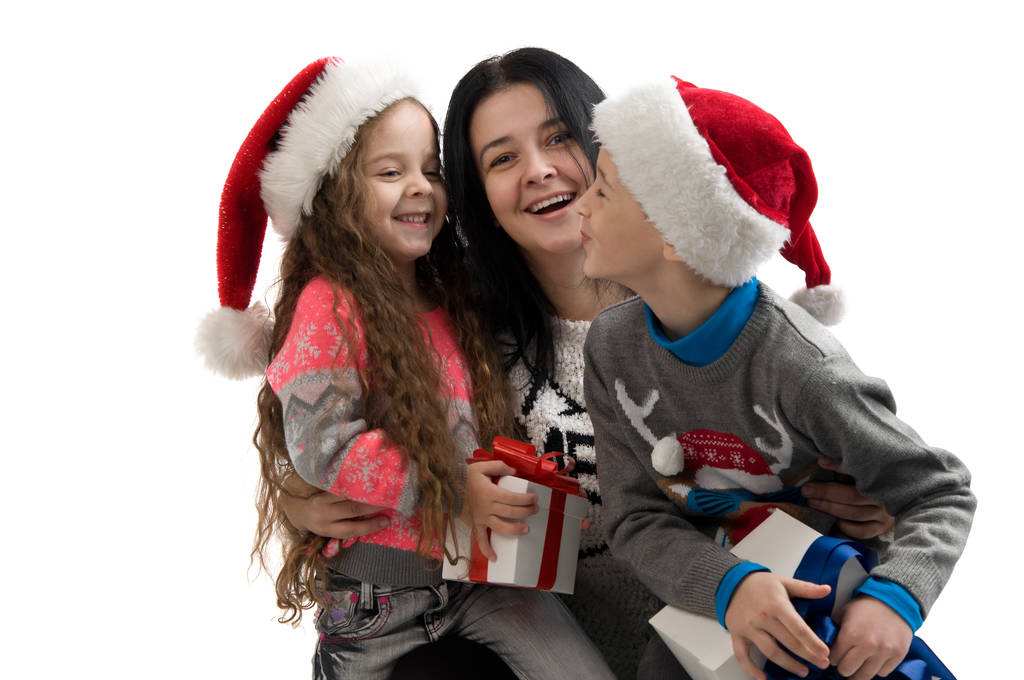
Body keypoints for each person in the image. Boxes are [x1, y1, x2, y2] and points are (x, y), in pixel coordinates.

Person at [281, 49, 897, 680]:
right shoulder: (461, 328)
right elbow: (329, 422)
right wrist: (298, 495)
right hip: (543, 649)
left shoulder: (701, 305)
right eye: (502, 158)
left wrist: (874, 506)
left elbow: (882, 470)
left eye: (559, 138)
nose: (539, 170)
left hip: (738, 645)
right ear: (475, 194)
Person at [197, 58, 615, 680]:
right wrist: (302, 494)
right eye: (391, 172)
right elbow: (322, 445)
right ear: (334, 196)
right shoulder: (332, 307)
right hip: (380, 601)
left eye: (431, 170)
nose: (420, 187)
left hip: (483, 582)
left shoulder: (457, 302)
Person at [578, 76, 976, 680]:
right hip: (711, 610)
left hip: (821, 615)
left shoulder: (804, 370)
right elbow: (634, 516)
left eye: (603, 190)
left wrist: (894, 598)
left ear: (676, 235)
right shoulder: (610, 348)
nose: (582, 204)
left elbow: (939, 492)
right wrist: (730, 585)